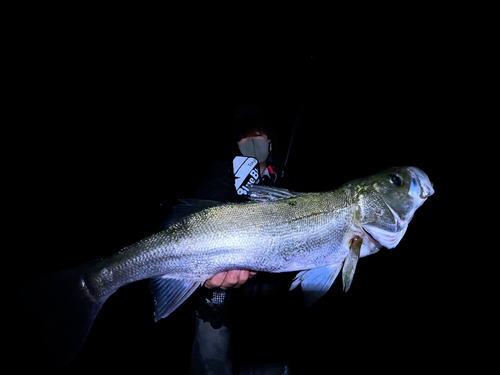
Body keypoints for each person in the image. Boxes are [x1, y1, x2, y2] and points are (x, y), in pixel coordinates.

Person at [187, 101, 303, 374]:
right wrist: (241, 190)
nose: (251, 142)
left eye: (258, 135)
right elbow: (213, 198)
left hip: (270, 316)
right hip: (219, 310)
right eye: (243, 136)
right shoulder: (221, 173)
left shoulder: (288, 185)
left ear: (270, 144)